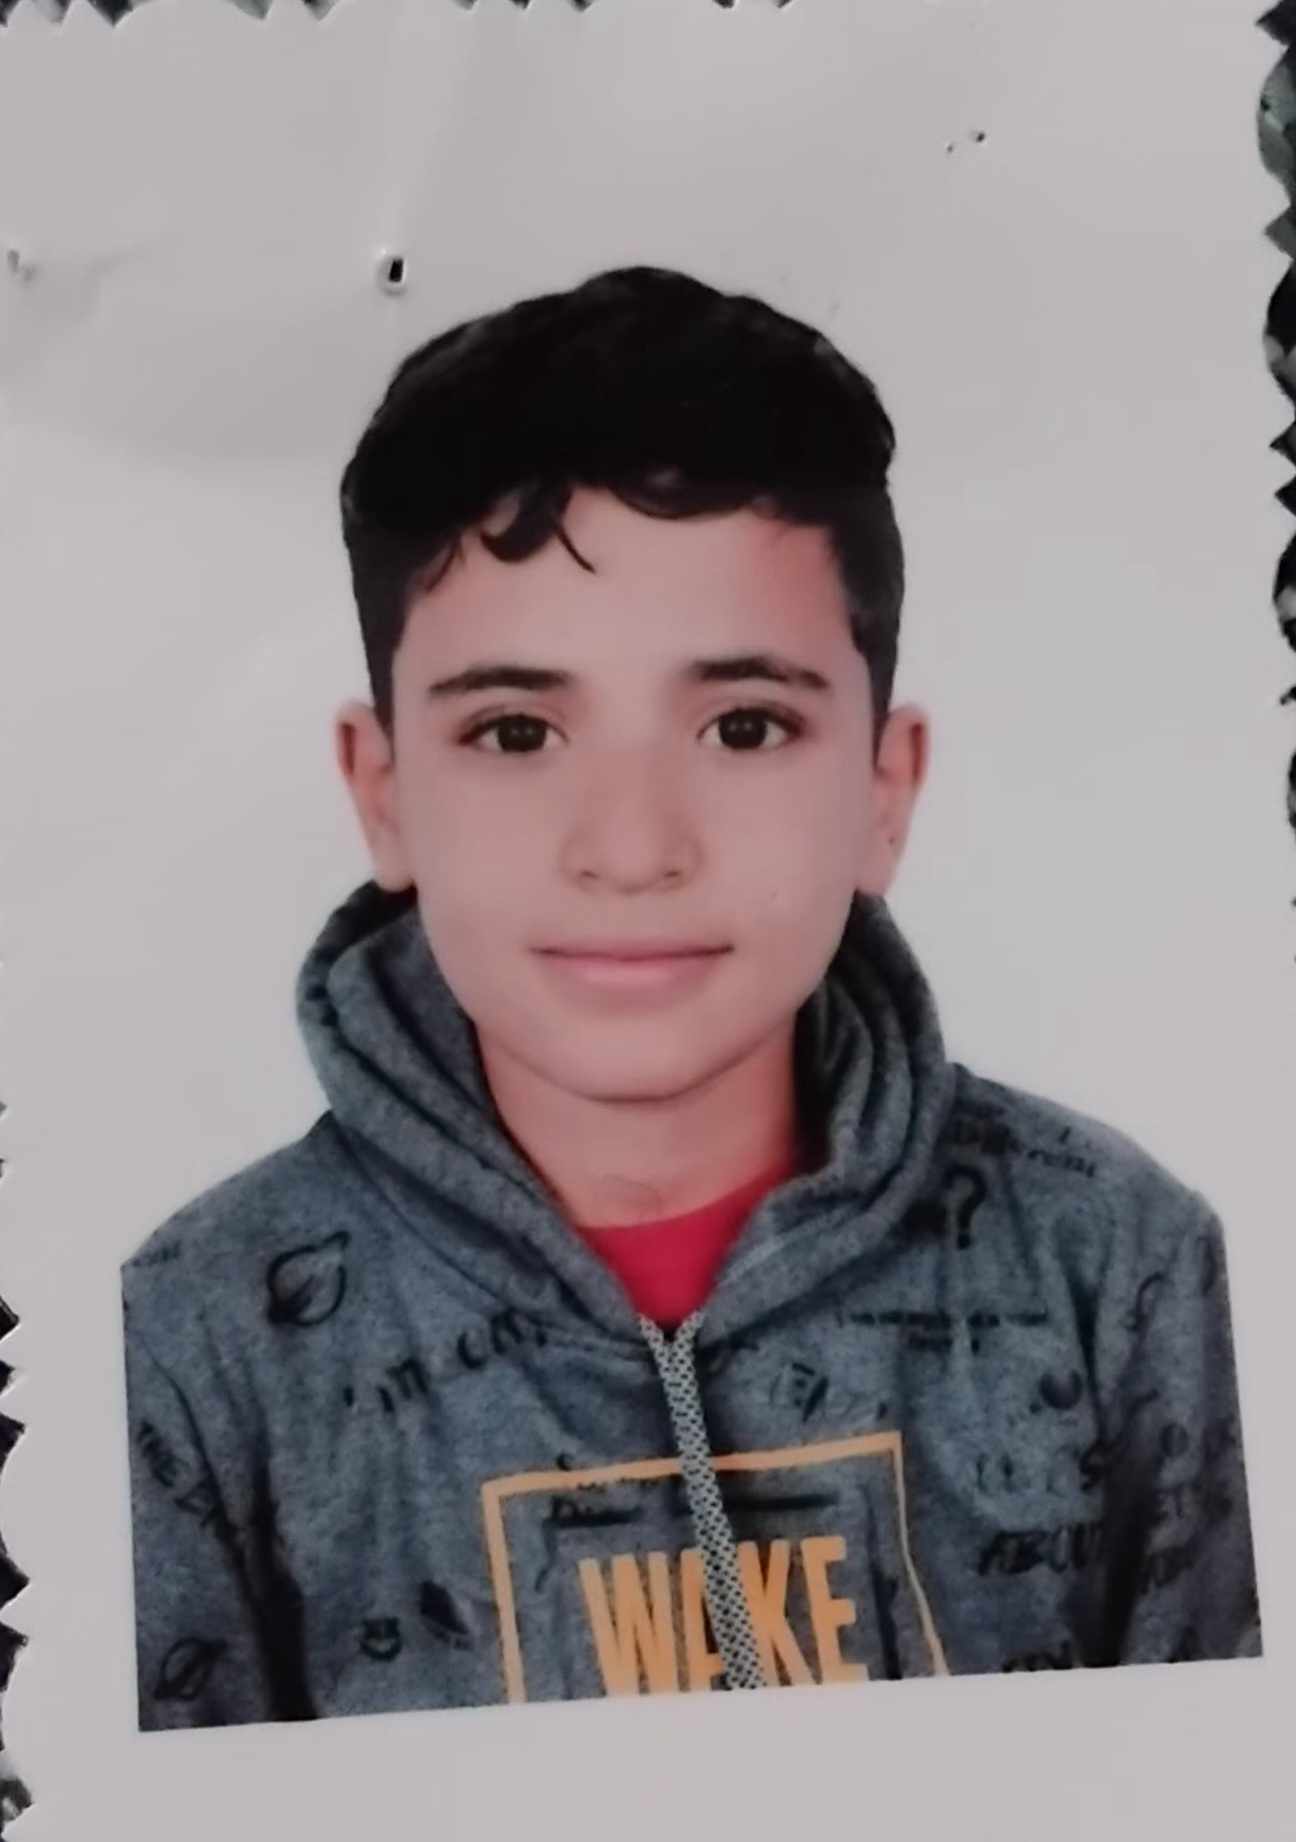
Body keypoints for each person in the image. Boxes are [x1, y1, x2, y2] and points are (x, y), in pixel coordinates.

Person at [121, 266, 1261, 1729]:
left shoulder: (1122, 1266)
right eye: (517, 731)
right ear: (382, 790)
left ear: (884, 788)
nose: (633, 848)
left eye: (744, 725)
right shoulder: (192, 1344)